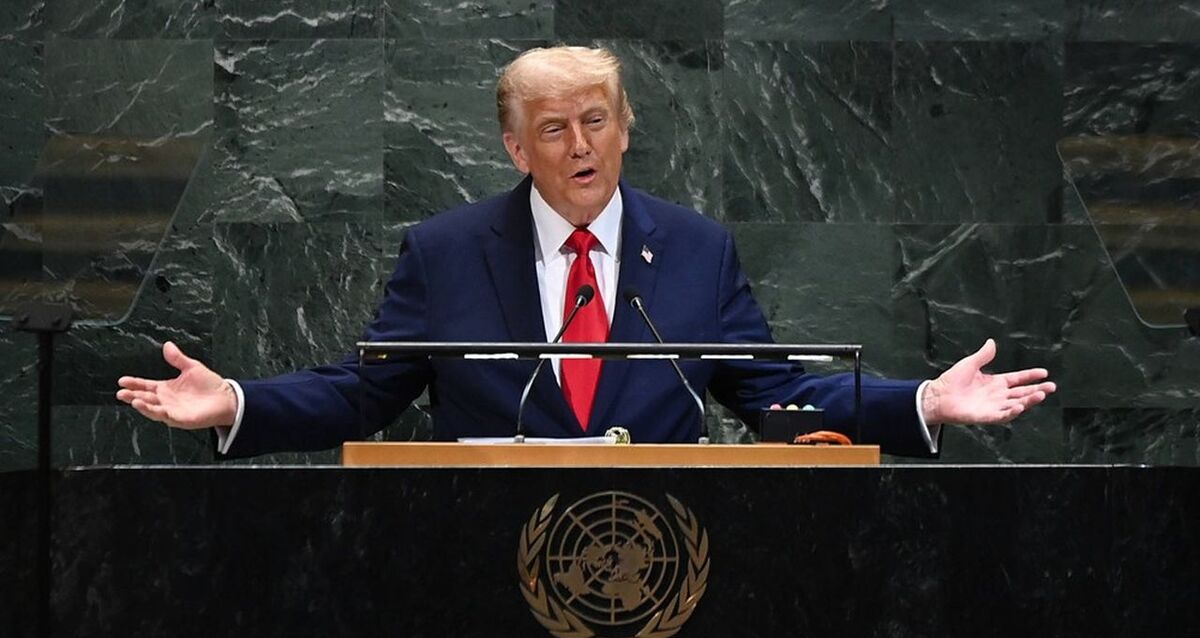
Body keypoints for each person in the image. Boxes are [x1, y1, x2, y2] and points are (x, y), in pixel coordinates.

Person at [116, 46, 1055, 458]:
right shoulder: (448, 254)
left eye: (596, 121)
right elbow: (365, 392)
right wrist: (235, 402)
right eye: (555, 128)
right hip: (479, 568)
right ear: (517, 149)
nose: (580, 146)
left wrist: (924, 400)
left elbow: (773, 397)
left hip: (666, 564)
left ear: (625, 130)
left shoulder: (693, 251)